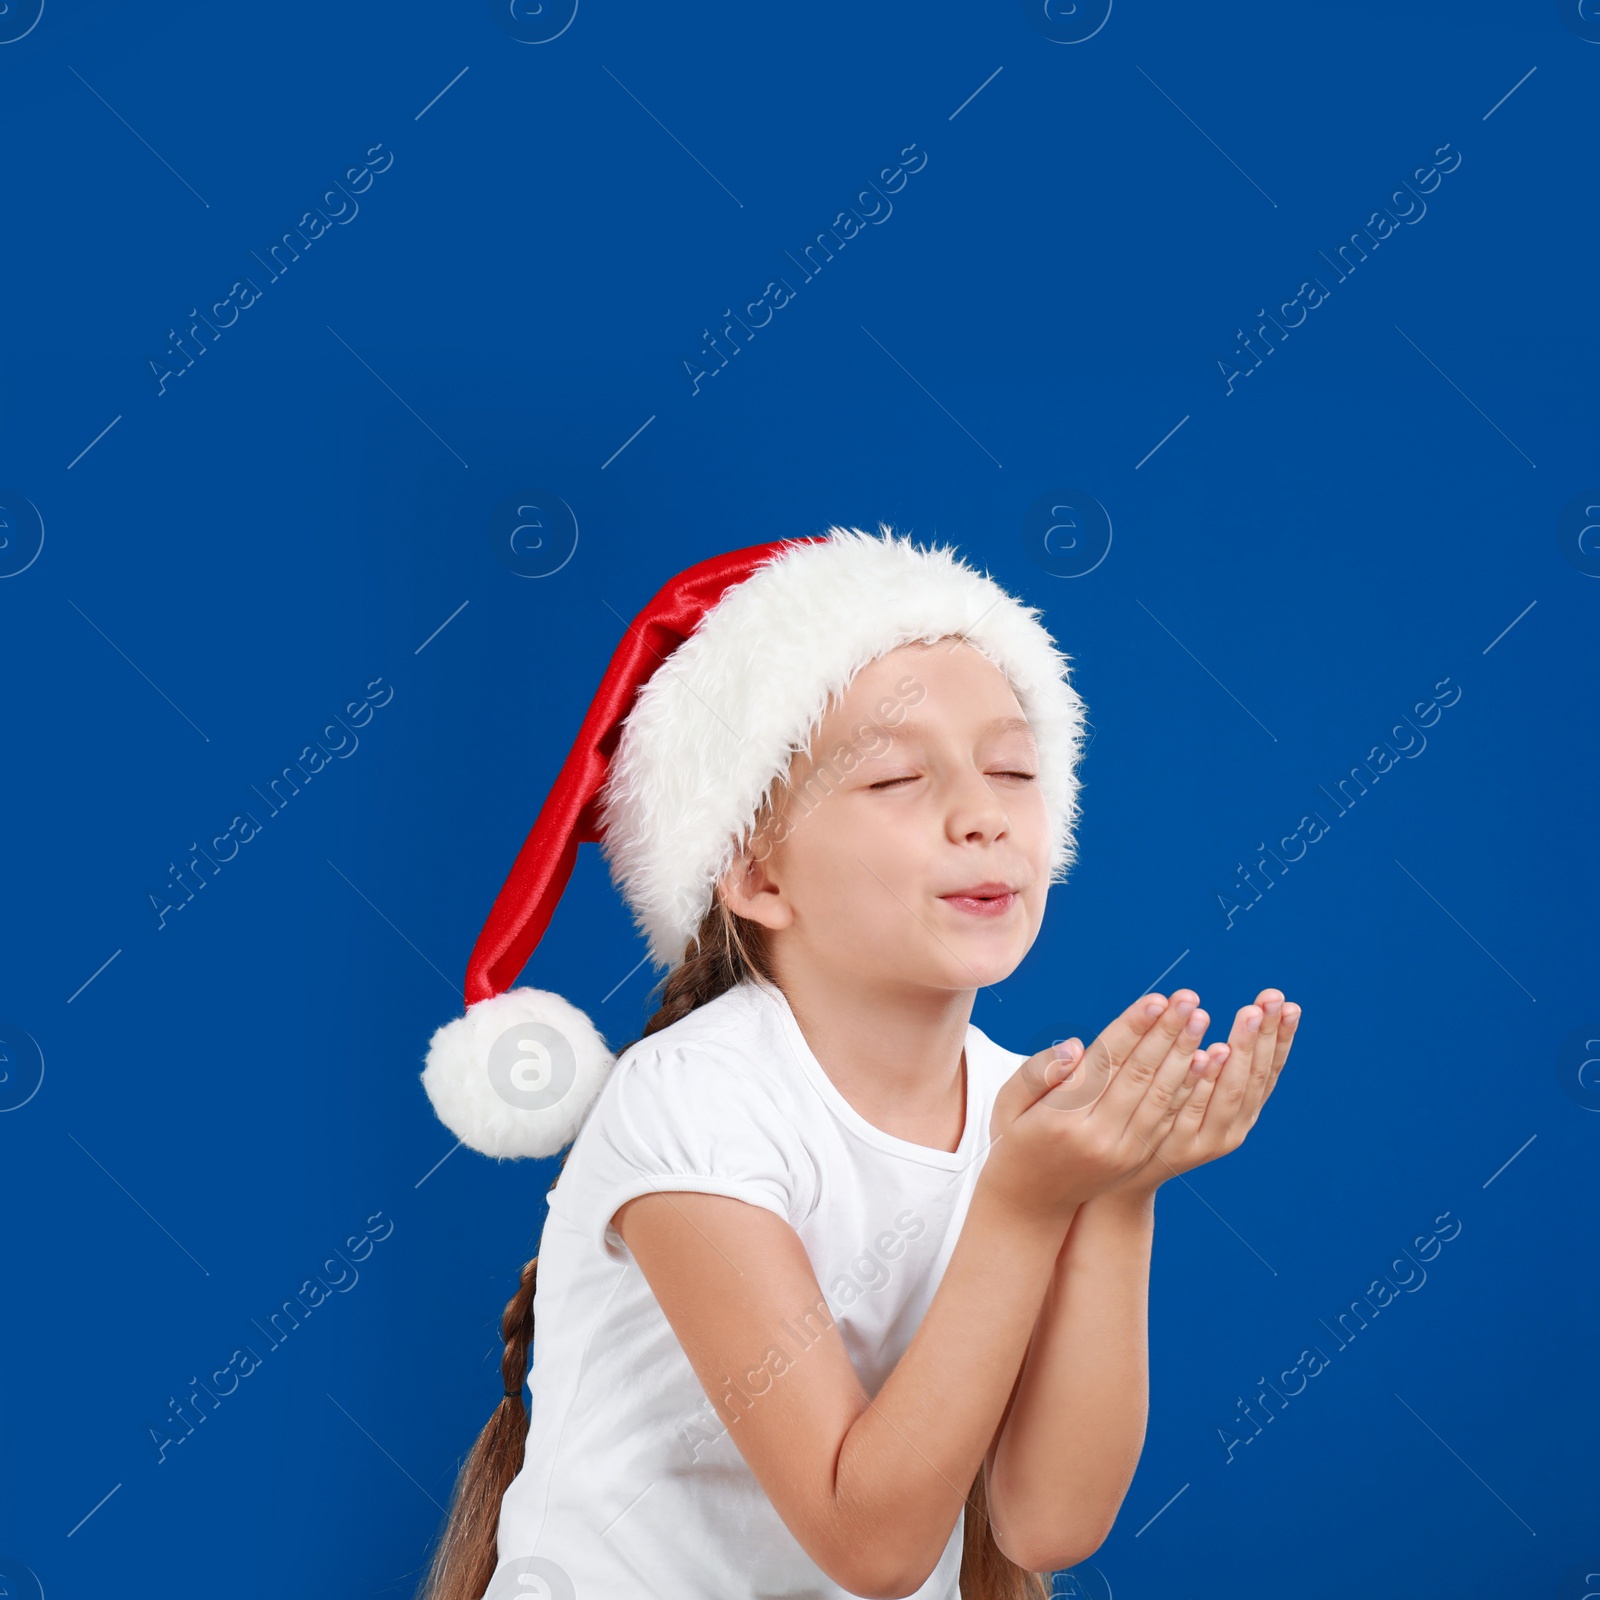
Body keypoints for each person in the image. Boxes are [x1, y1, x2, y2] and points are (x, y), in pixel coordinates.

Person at [414, 526, 1301, 1600]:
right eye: (894, 778)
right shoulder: (694, 1099)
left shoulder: (1025, 1113)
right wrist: (1023, 1203)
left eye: (1014, 769)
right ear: (755, 872)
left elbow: (1044, 1523)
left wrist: (1118, 1192)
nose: (982, 815)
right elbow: (870, 1545)